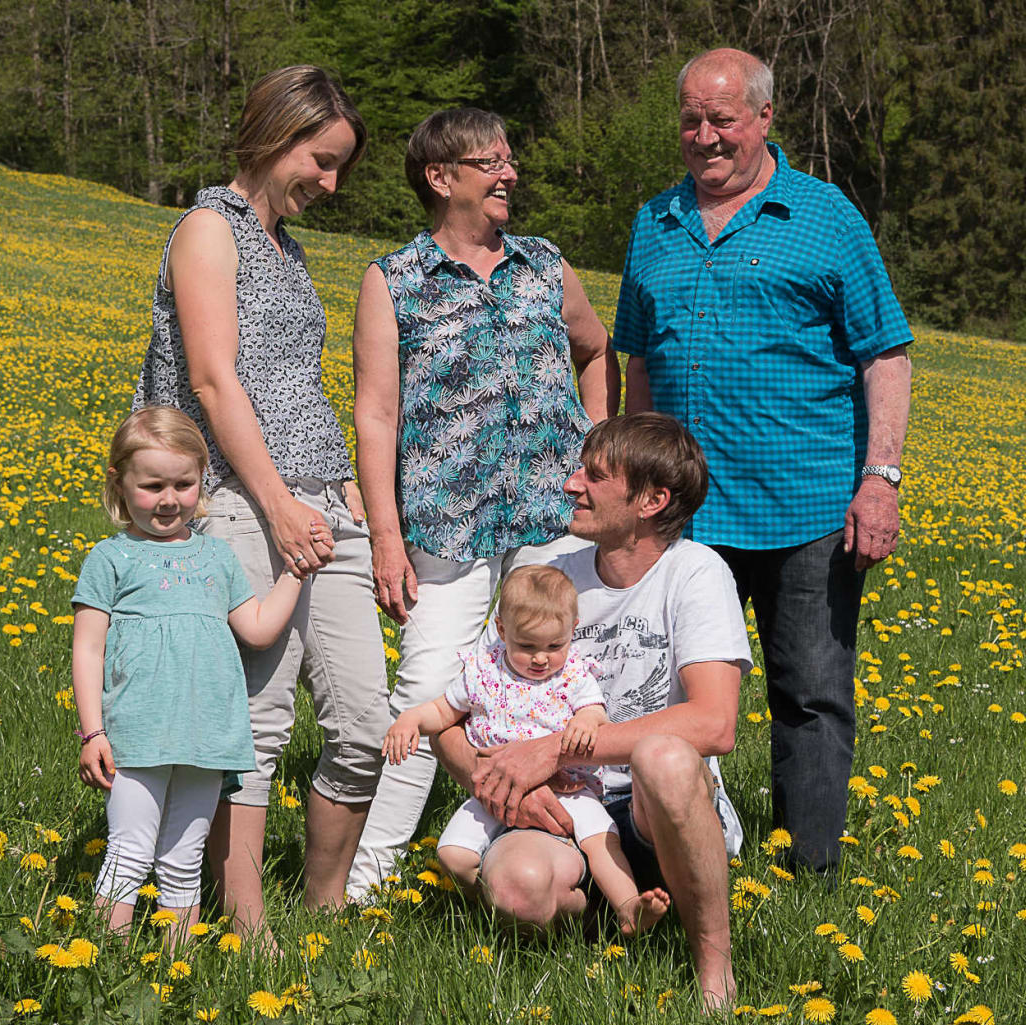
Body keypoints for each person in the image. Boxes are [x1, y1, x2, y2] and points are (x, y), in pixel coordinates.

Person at [613, 48, 914, 874]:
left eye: (723, 119)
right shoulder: (655, 221)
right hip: (678, 513)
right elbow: (638, 361)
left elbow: (885, 355)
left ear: (765, 117)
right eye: (691, 121)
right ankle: (662, 863)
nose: (706, 137)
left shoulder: (826, 216)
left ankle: (806, 875)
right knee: (659, 692)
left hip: (805, 507)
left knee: (809, 693)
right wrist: (629, 479)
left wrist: (880, 479)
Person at [133, 66, 391, 929]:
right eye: (321, 160)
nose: (331, 183)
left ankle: (322, 907)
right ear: (276, 135)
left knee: (365, 719)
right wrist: (278, 503)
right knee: (257, 721)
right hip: (244, 497)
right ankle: (248, 926)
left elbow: (293, 384)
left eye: (340, 166)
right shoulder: (209, 230)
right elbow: (214, 379)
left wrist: (342, 483)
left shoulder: (287, 246)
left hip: (323, 499)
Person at [347, 107, 617, 894]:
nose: (510, 174)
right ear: (441, 177)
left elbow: (596, 347)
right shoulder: (394, 279)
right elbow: (377, 414)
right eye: (491, 162)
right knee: (426, 690)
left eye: (509, 159)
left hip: (550, 516)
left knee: (560, 682)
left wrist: (596, 444)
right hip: (445, 524)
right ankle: (366, 885)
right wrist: (386, 538)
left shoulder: (544, 264)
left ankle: (576, 862)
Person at [432, 413, 752, 1009]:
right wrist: (496, 780)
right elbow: (453, 714)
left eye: (595, 476)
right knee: (518, 891)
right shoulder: (550, 577)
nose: (570, 483)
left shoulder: (696, 573)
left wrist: (551, 750)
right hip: (560, 809)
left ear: (652, 501)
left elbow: (715, 723)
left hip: (656, 816)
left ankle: (714, 968)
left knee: (664, 757)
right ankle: (599, 924)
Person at [71, 407, 317, 942]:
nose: (169, 499)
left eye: (183, 484)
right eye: (152, 486)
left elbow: (257, 628)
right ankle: (98, 966)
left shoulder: (217, 557)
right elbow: (87, 650)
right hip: (136, 734)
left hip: (207, 735)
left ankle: (175, 969)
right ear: (119, 483)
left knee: (184, 860)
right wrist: (93, 732)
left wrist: (296, 573)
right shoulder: (110, 559)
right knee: (129, 852)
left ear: (202, 479)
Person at [382, 565, 671, 936]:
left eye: (554, 646)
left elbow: (594, 712)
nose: (541, 659)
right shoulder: (484, 672)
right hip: (496, 788)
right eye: (527, 646)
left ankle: (628, 908)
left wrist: (586, 721)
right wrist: (410, 720)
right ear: (502, 631)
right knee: (452, 855)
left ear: (572, 630)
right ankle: (488, 907)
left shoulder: (573, 675)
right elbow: (443, 711)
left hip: (568, 789)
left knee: (601, 840)